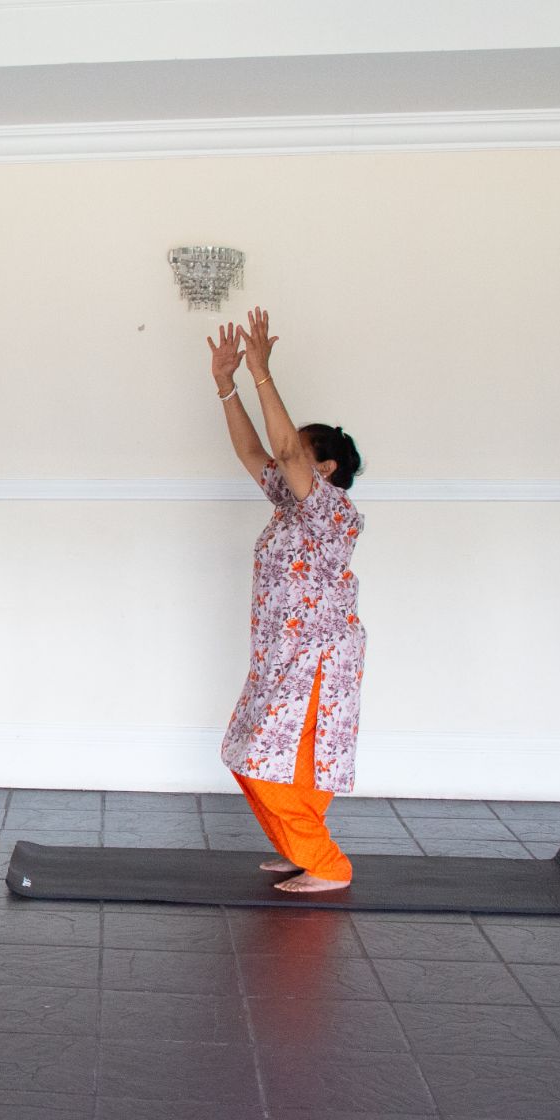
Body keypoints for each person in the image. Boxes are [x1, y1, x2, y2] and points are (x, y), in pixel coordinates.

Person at [209, 307, 366, 894]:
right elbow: (256, 453)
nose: (284, 460)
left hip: (316, 659)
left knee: (277, 766)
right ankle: (300, 846)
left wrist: (261, 372)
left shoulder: (329, 510)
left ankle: (326, 863)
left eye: (297, 455)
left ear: (324, 468)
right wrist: (226, 386)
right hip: (283, 656)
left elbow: (287, 453)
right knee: (252, 756)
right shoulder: (289, 506)